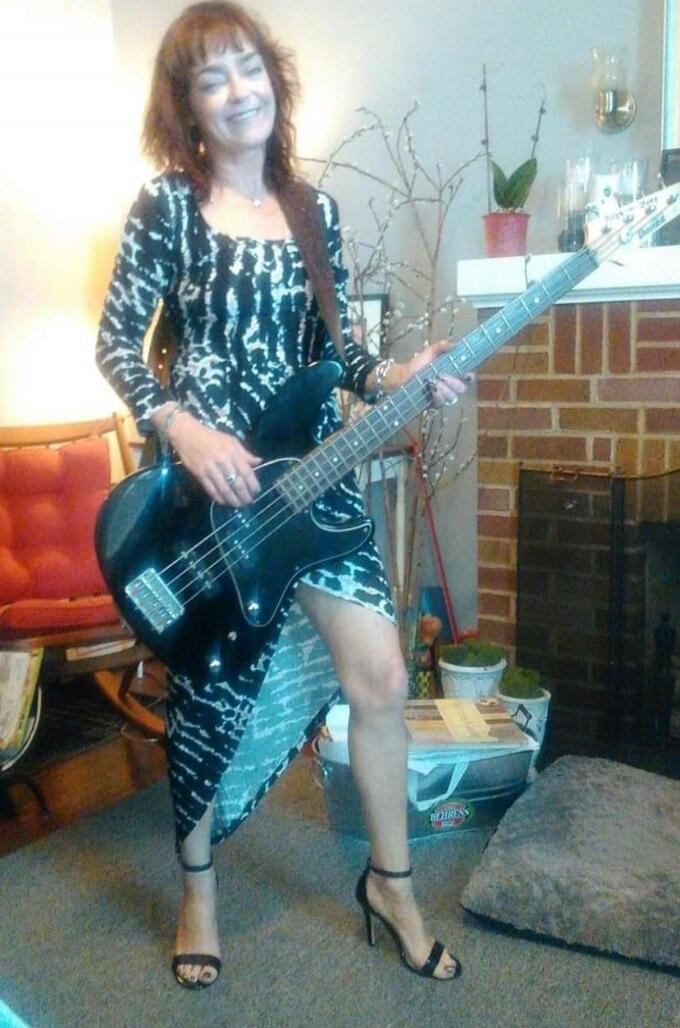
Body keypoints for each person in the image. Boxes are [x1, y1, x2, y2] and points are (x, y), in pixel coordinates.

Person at [97, 0, 468, 989]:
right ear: (187, 105)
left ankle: (390, 884)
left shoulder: (313, 212)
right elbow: (115, 345)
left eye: (248, 68)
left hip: (308, 472)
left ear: (274, 79)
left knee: (382, 675)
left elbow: (336, 357)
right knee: (209, 691)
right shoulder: (164, 208)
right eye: (212, 78)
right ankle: (199, 889)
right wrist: (181, 426)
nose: (237, 90)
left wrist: (401, 375)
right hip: (208, 490)